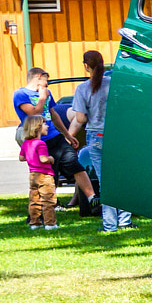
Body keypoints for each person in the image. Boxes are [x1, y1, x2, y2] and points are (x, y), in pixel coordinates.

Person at [11, 67, 96, 214]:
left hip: (55, 137)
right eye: (46, 80)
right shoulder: (20, 94)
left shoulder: (47, 93)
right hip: (38, 141)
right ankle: (42, 210)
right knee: (48, 175)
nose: (47, 84)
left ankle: (92, 198)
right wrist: (43, 97)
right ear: (38, 77)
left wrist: (67, 136)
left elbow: (54, 115)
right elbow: (33, 113)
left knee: (76, 165)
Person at [68, 50, 134, 232]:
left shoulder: (82, 89)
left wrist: (70, 134)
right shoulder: (114, 84)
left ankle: (110, 224)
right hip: (116, 135)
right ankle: (125, 220)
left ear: (86, 66)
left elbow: (80, 119)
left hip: (96, 136)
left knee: (105, 180)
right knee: (121, 178)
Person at [18, 116, 59, 230]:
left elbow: (21, 157)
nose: (48, 126)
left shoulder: (26, 143)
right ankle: (50, 224)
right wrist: (51, 158)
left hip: (33, 175)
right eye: (45, 124)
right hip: (44, 175)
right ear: (38, 128)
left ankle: (35, 223)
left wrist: (32, 158)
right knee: (48, 199)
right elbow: (43, 159)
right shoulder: (41, 144)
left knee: (34, 200)